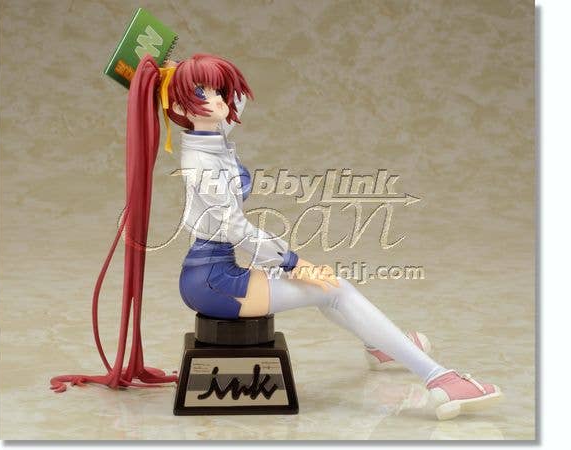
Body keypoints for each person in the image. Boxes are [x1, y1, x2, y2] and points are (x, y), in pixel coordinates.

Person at [51, 53, 502, 420]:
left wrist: (180, 72)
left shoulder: (211, 137)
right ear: (181, 108)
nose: (218, 101)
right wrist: (292, 261)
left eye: (217, 92)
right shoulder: (202, 162)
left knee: (329, 291)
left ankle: (381, 345)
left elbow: (234, 105)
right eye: (202, 93)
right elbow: (234, 228)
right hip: (213, 282)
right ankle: (440, 379)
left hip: (216, 271)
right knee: (334, 287)